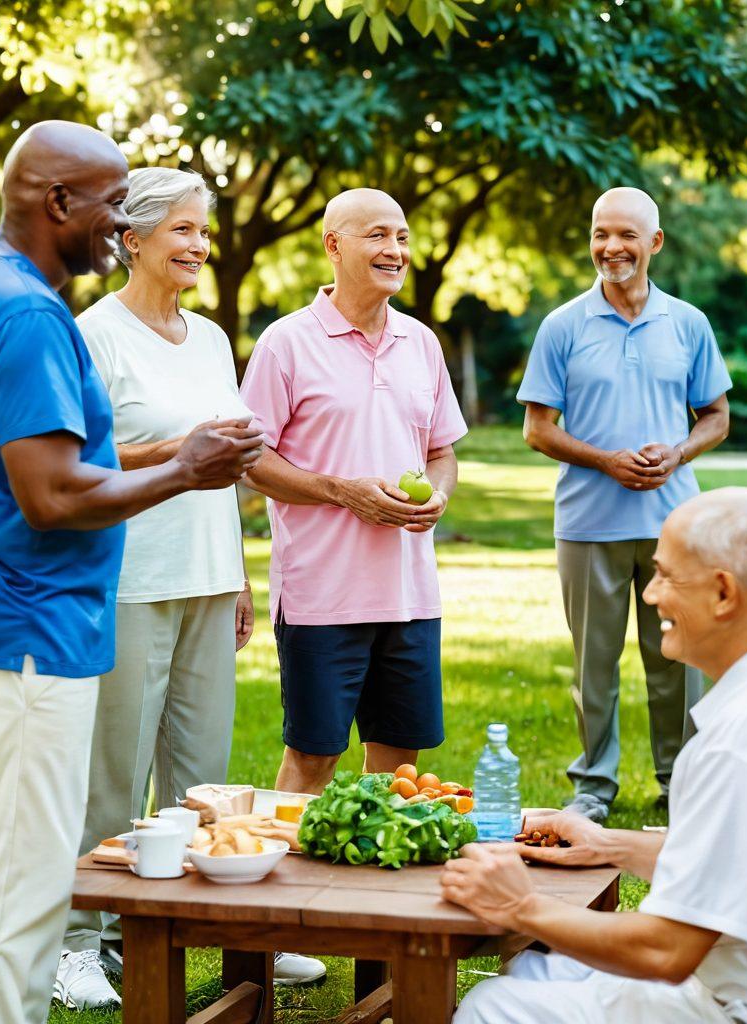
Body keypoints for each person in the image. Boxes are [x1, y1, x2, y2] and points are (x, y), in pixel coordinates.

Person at [0, 122, 264, 1024]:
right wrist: (186, 467)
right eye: (112, 204)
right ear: (57, 202)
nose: (120, 222)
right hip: (20, 627)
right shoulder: (30, 312)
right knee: (17, 883)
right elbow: (52, 495)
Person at [443, 487, 747, 1024]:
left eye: (665, 575)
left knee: (491, 1007)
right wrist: (609, 845)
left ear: (724, 594)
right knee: (540, 970)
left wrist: (520, 906)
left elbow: (666, 950)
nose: (651, 594)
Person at [52, 167, 323, 1006]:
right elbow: (79, 459)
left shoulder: (208, 337)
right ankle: (79, 940)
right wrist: (181, 449)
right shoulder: (91, 333)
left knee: (201, 775)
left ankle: (204, 926)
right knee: (113, 767)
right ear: (131, 240)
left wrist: (238, 574)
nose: (201, 246)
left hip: (208, 575)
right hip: (129, 575)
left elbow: (228, 463)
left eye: (204, 231)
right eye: (184, 232)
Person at [239, 187, 468, 794]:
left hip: (411, 594)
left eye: (401, 238)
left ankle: (370, 888)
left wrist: (439, 497)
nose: (394, 250)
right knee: (312, 762)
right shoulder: (285, 343)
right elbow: (249, 459)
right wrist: (342, 491)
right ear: (332, 245)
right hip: (322, 596)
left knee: (400, 770)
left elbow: (441, 452)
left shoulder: (421, 342)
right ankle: (284, 887)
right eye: (377, 236)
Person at [517, 187, 731, 823]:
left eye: (627, 235)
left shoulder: (687, 324)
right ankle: (593, 787)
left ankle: (681, 783)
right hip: (588, 523)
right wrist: (606, 460)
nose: (612, 248)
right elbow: (537, 428)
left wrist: (677, 454)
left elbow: (716, 417)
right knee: (595, 667)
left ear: (654, 243)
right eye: (601, 234)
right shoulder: (563, 325)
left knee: (679, 661)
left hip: (674, 526)